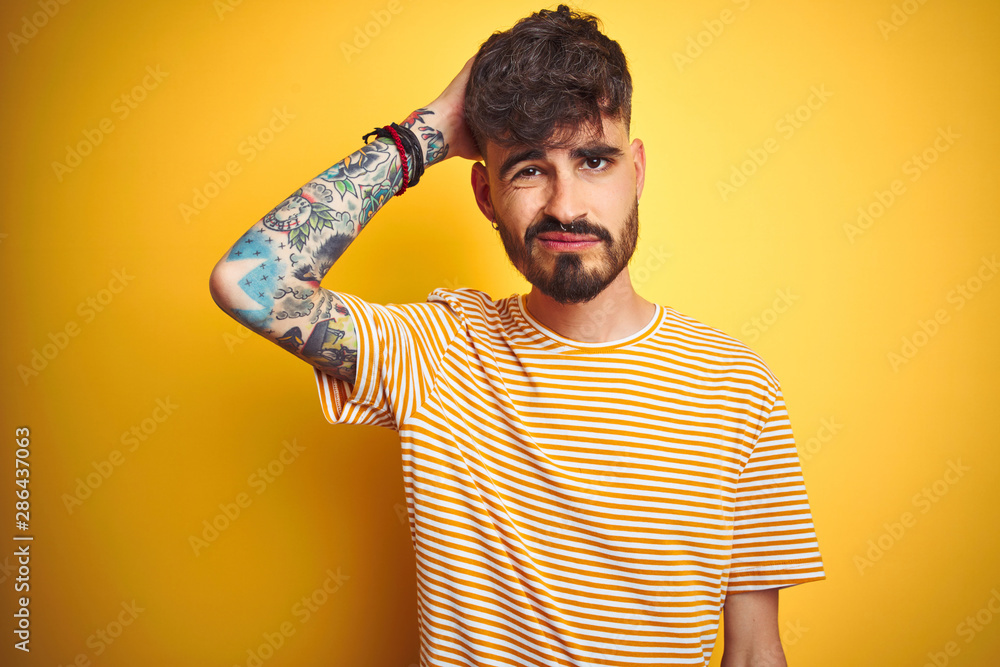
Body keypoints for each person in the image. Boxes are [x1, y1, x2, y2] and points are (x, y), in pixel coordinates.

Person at [209, 5, 825, 665]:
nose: (565, 205)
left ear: (637, 170)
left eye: (594, 160)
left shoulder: (737, 383)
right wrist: (429, 132)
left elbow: (758, 651)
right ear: (484, 192)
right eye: (528, 168)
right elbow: (250, 281)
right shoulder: (436, 352)